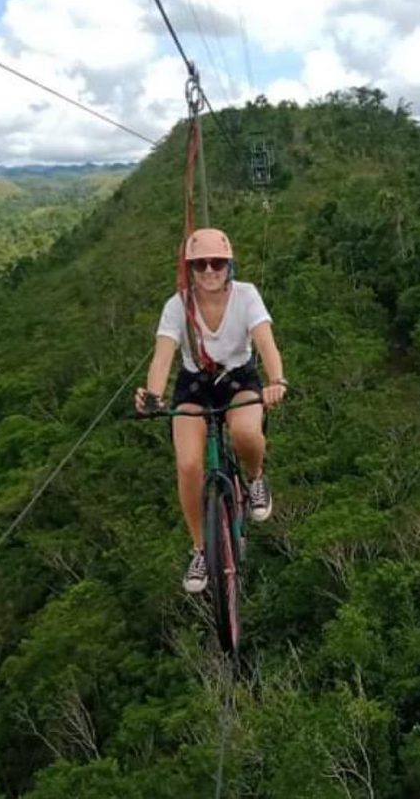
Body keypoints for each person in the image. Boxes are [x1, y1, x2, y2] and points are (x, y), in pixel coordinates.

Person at [134, 227, 287, 593]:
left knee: (245, 432)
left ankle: (255, 478)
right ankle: (201, 548)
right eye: (199, 264)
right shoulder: (178, 306)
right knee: (188, 464)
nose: (208, 271)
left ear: (228, 265)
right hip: (195, 385)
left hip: (238, 379)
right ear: (189, 270)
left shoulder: (247, 296)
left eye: (216, 263)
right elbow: (163, 355)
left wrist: (277, 381)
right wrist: (153, 396)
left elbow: (265, 342)